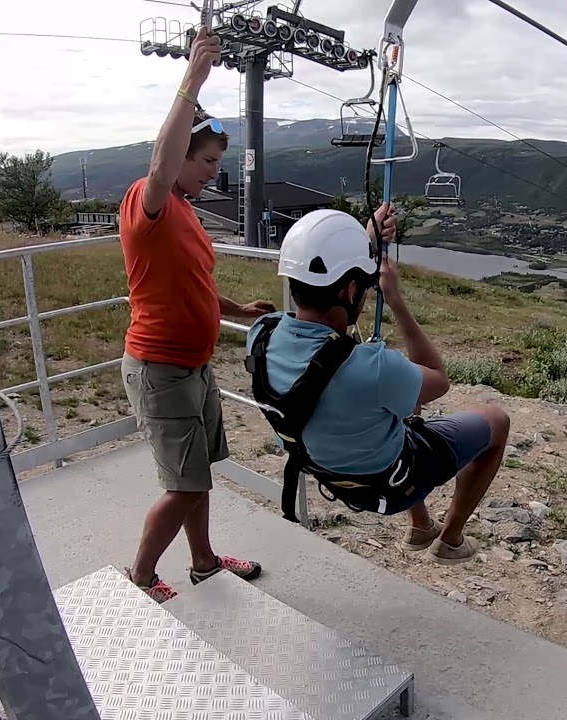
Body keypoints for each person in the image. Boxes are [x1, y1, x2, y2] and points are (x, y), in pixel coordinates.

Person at [245, 208, 511, 565]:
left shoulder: (260, 335)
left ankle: (420, 526)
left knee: (401, 401)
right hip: (390, 483)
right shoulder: (373, 368)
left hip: (321, 467)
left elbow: (321, 334)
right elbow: (436, 377)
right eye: (365, 287)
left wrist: (363, 241)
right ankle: (451, 539)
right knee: (497, 421)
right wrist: (396, 300)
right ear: (351, 289)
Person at [119, 25, 275, 603]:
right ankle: (140, 575)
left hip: (194, 366)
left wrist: (236, 308)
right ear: (180, 155)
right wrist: (194, 75)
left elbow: (192, 284)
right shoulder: (150, 200)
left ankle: (205, 562)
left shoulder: (183, 210)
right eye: (206, 160)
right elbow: (161, 166)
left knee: (198, 475)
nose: (214, 171)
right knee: (184, 485)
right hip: (162, 370)